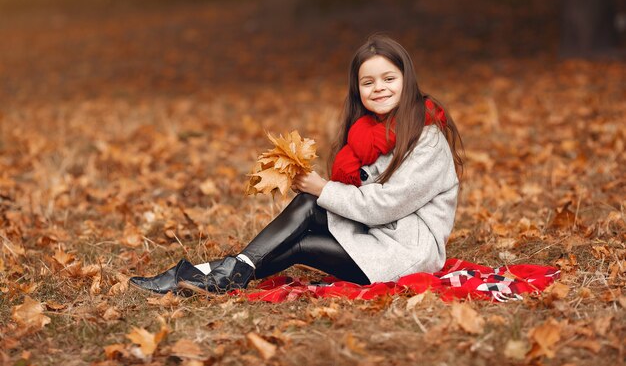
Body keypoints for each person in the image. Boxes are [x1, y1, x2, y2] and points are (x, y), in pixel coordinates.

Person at [129, 35, 464, 295]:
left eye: (389, 78)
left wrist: (322, 188)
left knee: (305, 227)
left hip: (407, 252)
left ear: (407, 80)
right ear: (357, 89)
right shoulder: (365, 135)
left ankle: (205, 275)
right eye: (368, 82)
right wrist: (321, 192)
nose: (379, 88)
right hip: (376, 234)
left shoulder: (426, 139)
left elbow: (385, 205)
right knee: (309, 205)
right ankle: (208, 275)